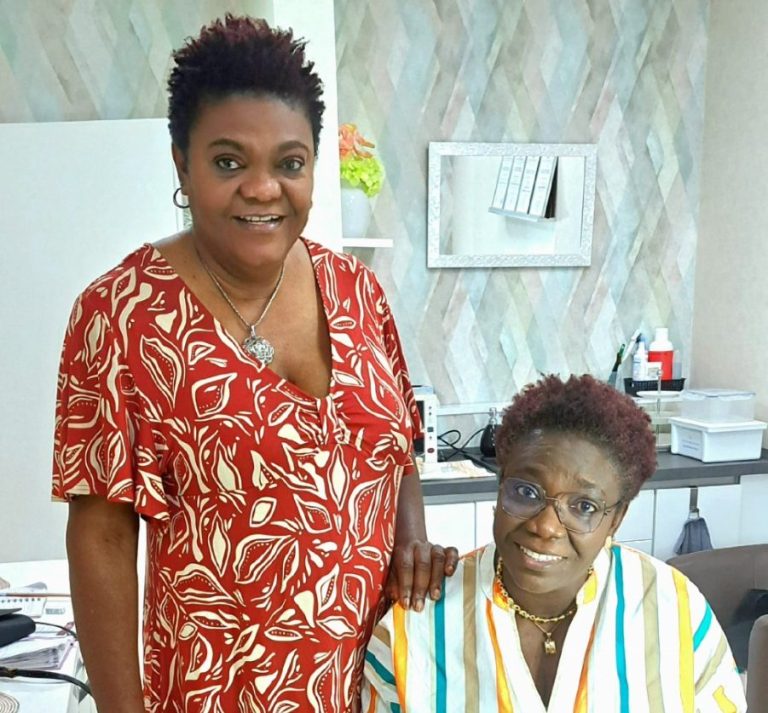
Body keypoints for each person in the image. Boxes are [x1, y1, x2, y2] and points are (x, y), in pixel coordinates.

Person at [52, 15, 457, 713]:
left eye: (289, 163)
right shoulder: (121, 314)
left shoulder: (357, 291)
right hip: (214, 692)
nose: (264, 188)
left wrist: (411, 540)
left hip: (376, 686)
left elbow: (397, 450)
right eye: (228, 162)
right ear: (182, 164)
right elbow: (102, 540)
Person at [362, 374, 747, 712]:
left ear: (616, 518)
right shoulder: (419, 624)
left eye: (584, 506)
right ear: (500, 485)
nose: (546, 526)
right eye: (525, 492)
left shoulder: (673, 608)